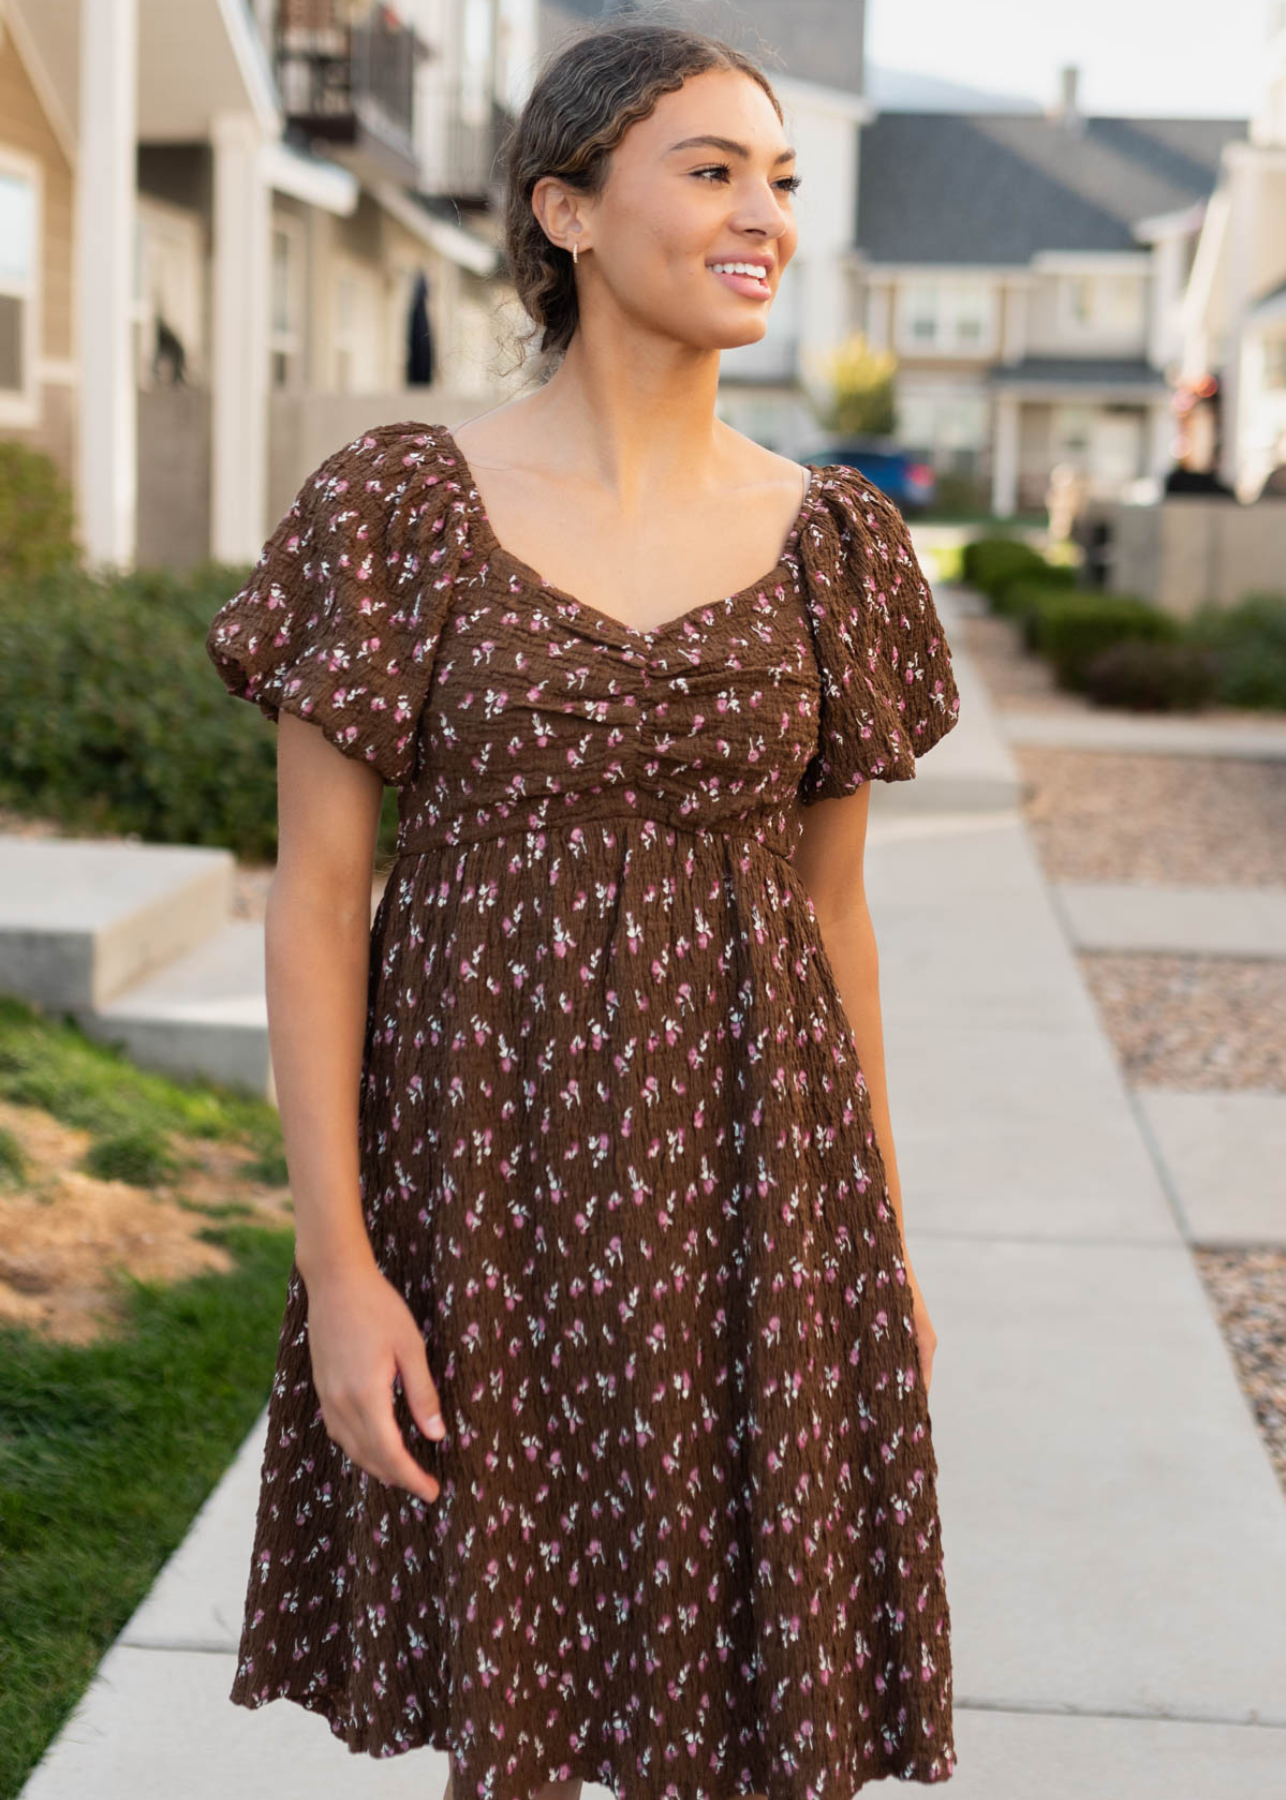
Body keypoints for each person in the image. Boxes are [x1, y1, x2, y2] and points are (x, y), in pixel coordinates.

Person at [205, 19, 960, 1800]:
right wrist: (337, 1268)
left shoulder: (836, 539)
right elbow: (319, 901)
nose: (760, 214)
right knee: (525, 1700)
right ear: (565, 208)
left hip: (755, 1188)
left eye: (778, 179)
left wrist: (886, 1241)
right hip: (483, 1183)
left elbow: (830, 917)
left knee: (745, 1711)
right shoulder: (395, 510)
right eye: (708, 172)